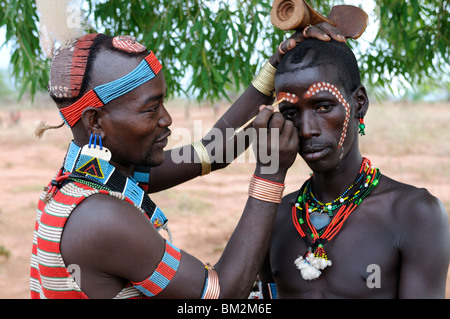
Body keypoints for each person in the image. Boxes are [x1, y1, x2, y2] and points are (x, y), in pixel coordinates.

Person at [30, 3, 346, 298]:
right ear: (95, 121)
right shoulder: (101, 216)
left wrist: (272, 69)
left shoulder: (95, 177)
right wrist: (271, 171)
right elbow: (223, 294)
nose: (167, 120)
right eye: (150, 110)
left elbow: (210, 152)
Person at [257, 38, 450, 299]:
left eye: (323, 107)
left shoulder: (414, 214)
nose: (306, 129)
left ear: (359, 103)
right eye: (291, 113)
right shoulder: (273, 217)